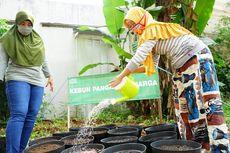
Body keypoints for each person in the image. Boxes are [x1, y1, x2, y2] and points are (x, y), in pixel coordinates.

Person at [109, 7, 229, 152]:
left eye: (134, 24)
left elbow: (137, 58)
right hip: (185, 63)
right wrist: (128, 74)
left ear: (142, 18)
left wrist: (121, 76)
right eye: (131, 28)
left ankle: (216, 148)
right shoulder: (151, 34)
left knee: (202, 103)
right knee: (186, 105)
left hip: (195, 58)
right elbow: (151, 65)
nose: (134, 29)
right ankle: (196, 147)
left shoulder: (151, 29)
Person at [0, 10, 53, 153]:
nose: (25, 26)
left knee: (32, 115)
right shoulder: (8, 38)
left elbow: (43, 58)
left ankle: (22, 150)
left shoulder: (37, 39)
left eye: (28, 24)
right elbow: (2, 60)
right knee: (19, 113)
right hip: (17, 77)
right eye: (22, 23)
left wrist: (49, 75)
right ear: (17, 24)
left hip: (36, 79)